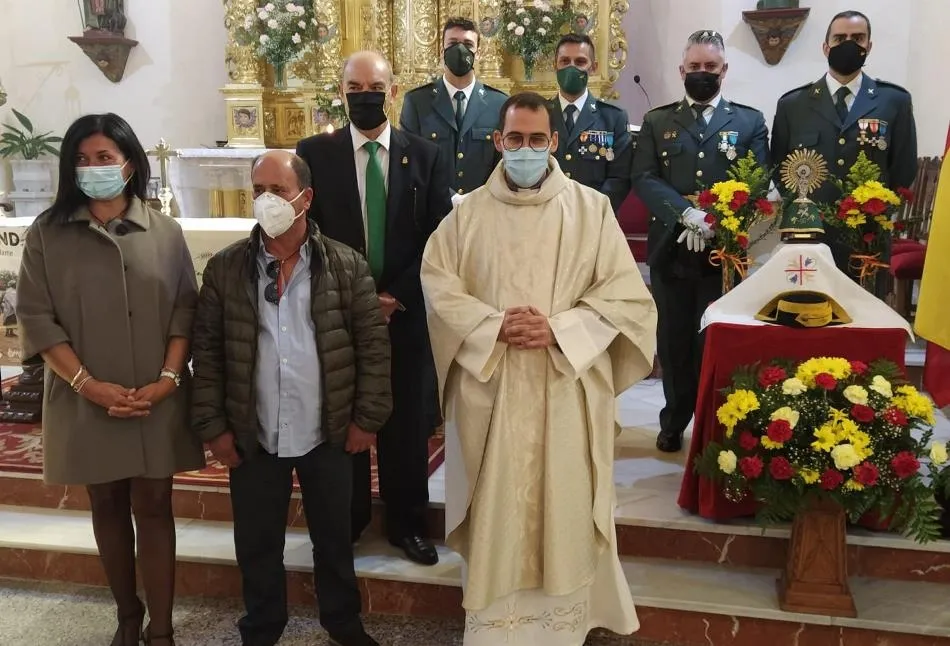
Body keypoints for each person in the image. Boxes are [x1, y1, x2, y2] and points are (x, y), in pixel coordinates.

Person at [421, 92, 658, 646]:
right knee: (497, 509)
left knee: (564, 505)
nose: (524, 149)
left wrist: (560, 329)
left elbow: (627, 299)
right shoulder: (466, 217)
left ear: (554, 142)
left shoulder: (591, 210)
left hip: (564, 385)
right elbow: (438, 285)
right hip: (493, 390)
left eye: (535, 139)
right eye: (514, 139)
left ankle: (559, 629)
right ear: (498, 142)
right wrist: (492, 325)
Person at [17, 113, 205, 646]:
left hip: (155, 396)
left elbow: (184, 311)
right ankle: (127, 614)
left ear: (129, 163)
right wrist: (88, 385)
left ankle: (162, 628)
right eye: (81, 159)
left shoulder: (164, 232)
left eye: (104, 158)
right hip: (84, 397)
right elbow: (36, 317)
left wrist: (169, 377)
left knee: (154, 504)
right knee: (105, 503)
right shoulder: (47, 235)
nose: (93, 168)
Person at [190, 150, 391, 646]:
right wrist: (214, 427)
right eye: (258, 191)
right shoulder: (225, 268)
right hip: (253, 430)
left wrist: (367, 418)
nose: (266, 201)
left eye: (277, 191)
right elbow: (209, 352)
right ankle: (261, 627)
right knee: (257, 543)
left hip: (328, 428)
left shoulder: (346, 265)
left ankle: (343, 623)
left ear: (306, 197)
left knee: (333, 540)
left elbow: (372, 347)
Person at [296, 51, 453, 566]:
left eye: (375, 86)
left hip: (404, 312)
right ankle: (351, 516)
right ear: (341, 90)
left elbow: (437, 236)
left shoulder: (425, 155)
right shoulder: (315, 155)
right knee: (345, 417)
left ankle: (406, 522)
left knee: (405, 422)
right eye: (354, 86)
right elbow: (308, 233)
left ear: (392, 89)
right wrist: (358, 298)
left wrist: (397, 295)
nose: (365, 94)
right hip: (340, 312)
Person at [630, 29, 769, 453]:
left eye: (710, 67)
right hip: (672, 245)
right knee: (673, 342)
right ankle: (674, 420)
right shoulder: (658, 121)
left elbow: (757, 181)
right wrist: (684, 214)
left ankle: (716, 424)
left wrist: (718, 219)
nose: (702, 74)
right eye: (695, 67)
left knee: (716, 337)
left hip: (723, 250)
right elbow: (645, 177)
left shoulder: (749, 121)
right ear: (681, 70)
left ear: (724, 70)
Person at [771, 10, 917, 285]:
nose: (848, 44)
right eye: (839, 38)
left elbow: (903, 168)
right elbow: (779, 166)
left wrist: (873, 211)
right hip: (809, 237)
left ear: (868, 47)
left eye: (857, 38)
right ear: (825, 47)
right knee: (806, 316)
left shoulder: (894, 101)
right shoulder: (793, 105)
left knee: (867, 320)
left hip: (867, 236)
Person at [399, 17, 508, 202]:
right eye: (453, 43)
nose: (460, 50)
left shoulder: (499, 103)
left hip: (483, 211)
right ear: (442, 52)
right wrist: (449, 198)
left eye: (468, 44)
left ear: (478, 53)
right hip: (432, 215)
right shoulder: (417, 102)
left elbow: (504, 165)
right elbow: (410, 162)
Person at [547, 33, 632, 213]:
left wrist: (591, 211)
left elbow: (619, 177)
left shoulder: (613, 118)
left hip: (595, 216)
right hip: (547, 215)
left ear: (593, 67)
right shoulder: (541, 114)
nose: (571, 68)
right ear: (554, 65)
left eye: (579, 62)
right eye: (564, 61)